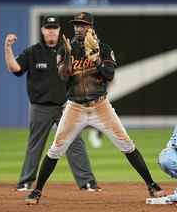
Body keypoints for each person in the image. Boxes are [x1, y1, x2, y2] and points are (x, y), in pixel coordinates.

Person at [25, 12, 164, 205]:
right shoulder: (66, 48)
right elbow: (64, 77)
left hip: (100, 106)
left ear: (91, 27)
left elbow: (109, 75)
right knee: (56, 149)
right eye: (76, 25)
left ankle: (151, 184)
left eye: (83, 25)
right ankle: (37, 190)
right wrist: (66, 58)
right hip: (75, 107)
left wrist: (96, 58)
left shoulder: (104, 48)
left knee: (126, 144)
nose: (78, 28)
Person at [4, 16, 100, 192]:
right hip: (40, 107)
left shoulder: (67, 50)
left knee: (75, 143)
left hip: (66, 106)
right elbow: (15, 69)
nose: (51, 31)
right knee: (35, 144)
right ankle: (25, 182)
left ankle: (87, 183)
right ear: (42, 31)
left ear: (58, 31)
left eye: (54, 28)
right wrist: (8, 47)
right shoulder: (33, 52)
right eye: (48, 28)